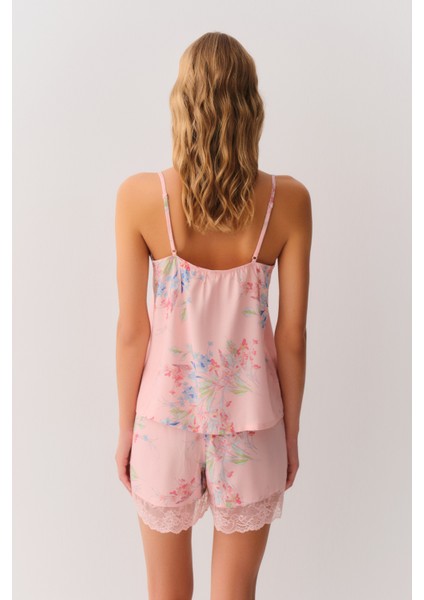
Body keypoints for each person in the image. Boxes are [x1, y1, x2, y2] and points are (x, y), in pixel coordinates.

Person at [115, 31, 312, 600]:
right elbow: (292, 335)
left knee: (165, 591)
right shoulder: (288, 202)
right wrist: (290, 433)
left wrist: (126, 430)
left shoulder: (140, 198)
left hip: (165, 421)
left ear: (181, 102)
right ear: (252, 106)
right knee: (236, 592)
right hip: (254, 422)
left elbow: (133, 332)